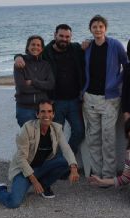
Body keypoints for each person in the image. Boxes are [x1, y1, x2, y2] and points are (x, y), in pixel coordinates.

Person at [0, 100, 79, 208]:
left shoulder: (57, 128)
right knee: (13, 203)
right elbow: (21, 158)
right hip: (24, 170)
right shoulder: (27, 129)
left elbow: (66, 149)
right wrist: (34, 181)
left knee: (66, 161)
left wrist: (73, 168)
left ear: (53, 114)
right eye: (43, 111)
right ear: (37, 114)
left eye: (49, 111)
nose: (46, 115)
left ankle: (44, 186)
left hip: (42, 166)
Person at [15, 25, 86, 157]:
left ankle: (67, 160)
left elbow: (92, 46)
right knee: (55, 135)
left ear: (71, 37)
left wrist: (89, 42)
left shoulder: (75, 48)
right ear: (55, 35)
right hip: (55, 102)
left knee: (79, 131)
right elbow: (31, 54)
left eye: (67, 37)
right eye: (61, 36)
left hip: (75, 101)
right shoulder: (46, 51)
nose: (64, 39)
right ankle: (57, 163)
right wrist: (17, 56)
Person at [82, 15, 128, 179]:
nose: (98, 29)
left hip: (110, 98)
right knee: (93, 138)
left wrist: (116, 82)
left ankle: (108, 175)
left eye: (101, 26)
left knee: (108, 138)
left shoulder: (115, 45)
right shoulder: (87, 47)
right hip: (90, 97)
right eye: (94, 27)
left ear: (105, 28)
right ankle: (97, 173)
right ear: (90, 29)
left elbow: (126, 65)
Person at [13, 35, 55, 127]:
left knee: (43, 135)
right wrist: (42, 87)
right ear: (27, 47)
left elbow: (50, 85)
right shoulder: (20, 63)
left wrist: (32, 82)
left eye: (38, 45)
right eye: (33, 44)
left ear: (42, 48)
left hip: (43, 109)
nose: (35, 47)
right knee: (28, 135)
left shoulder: (46, 65)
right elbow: (21, 87)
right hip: (25, 108)